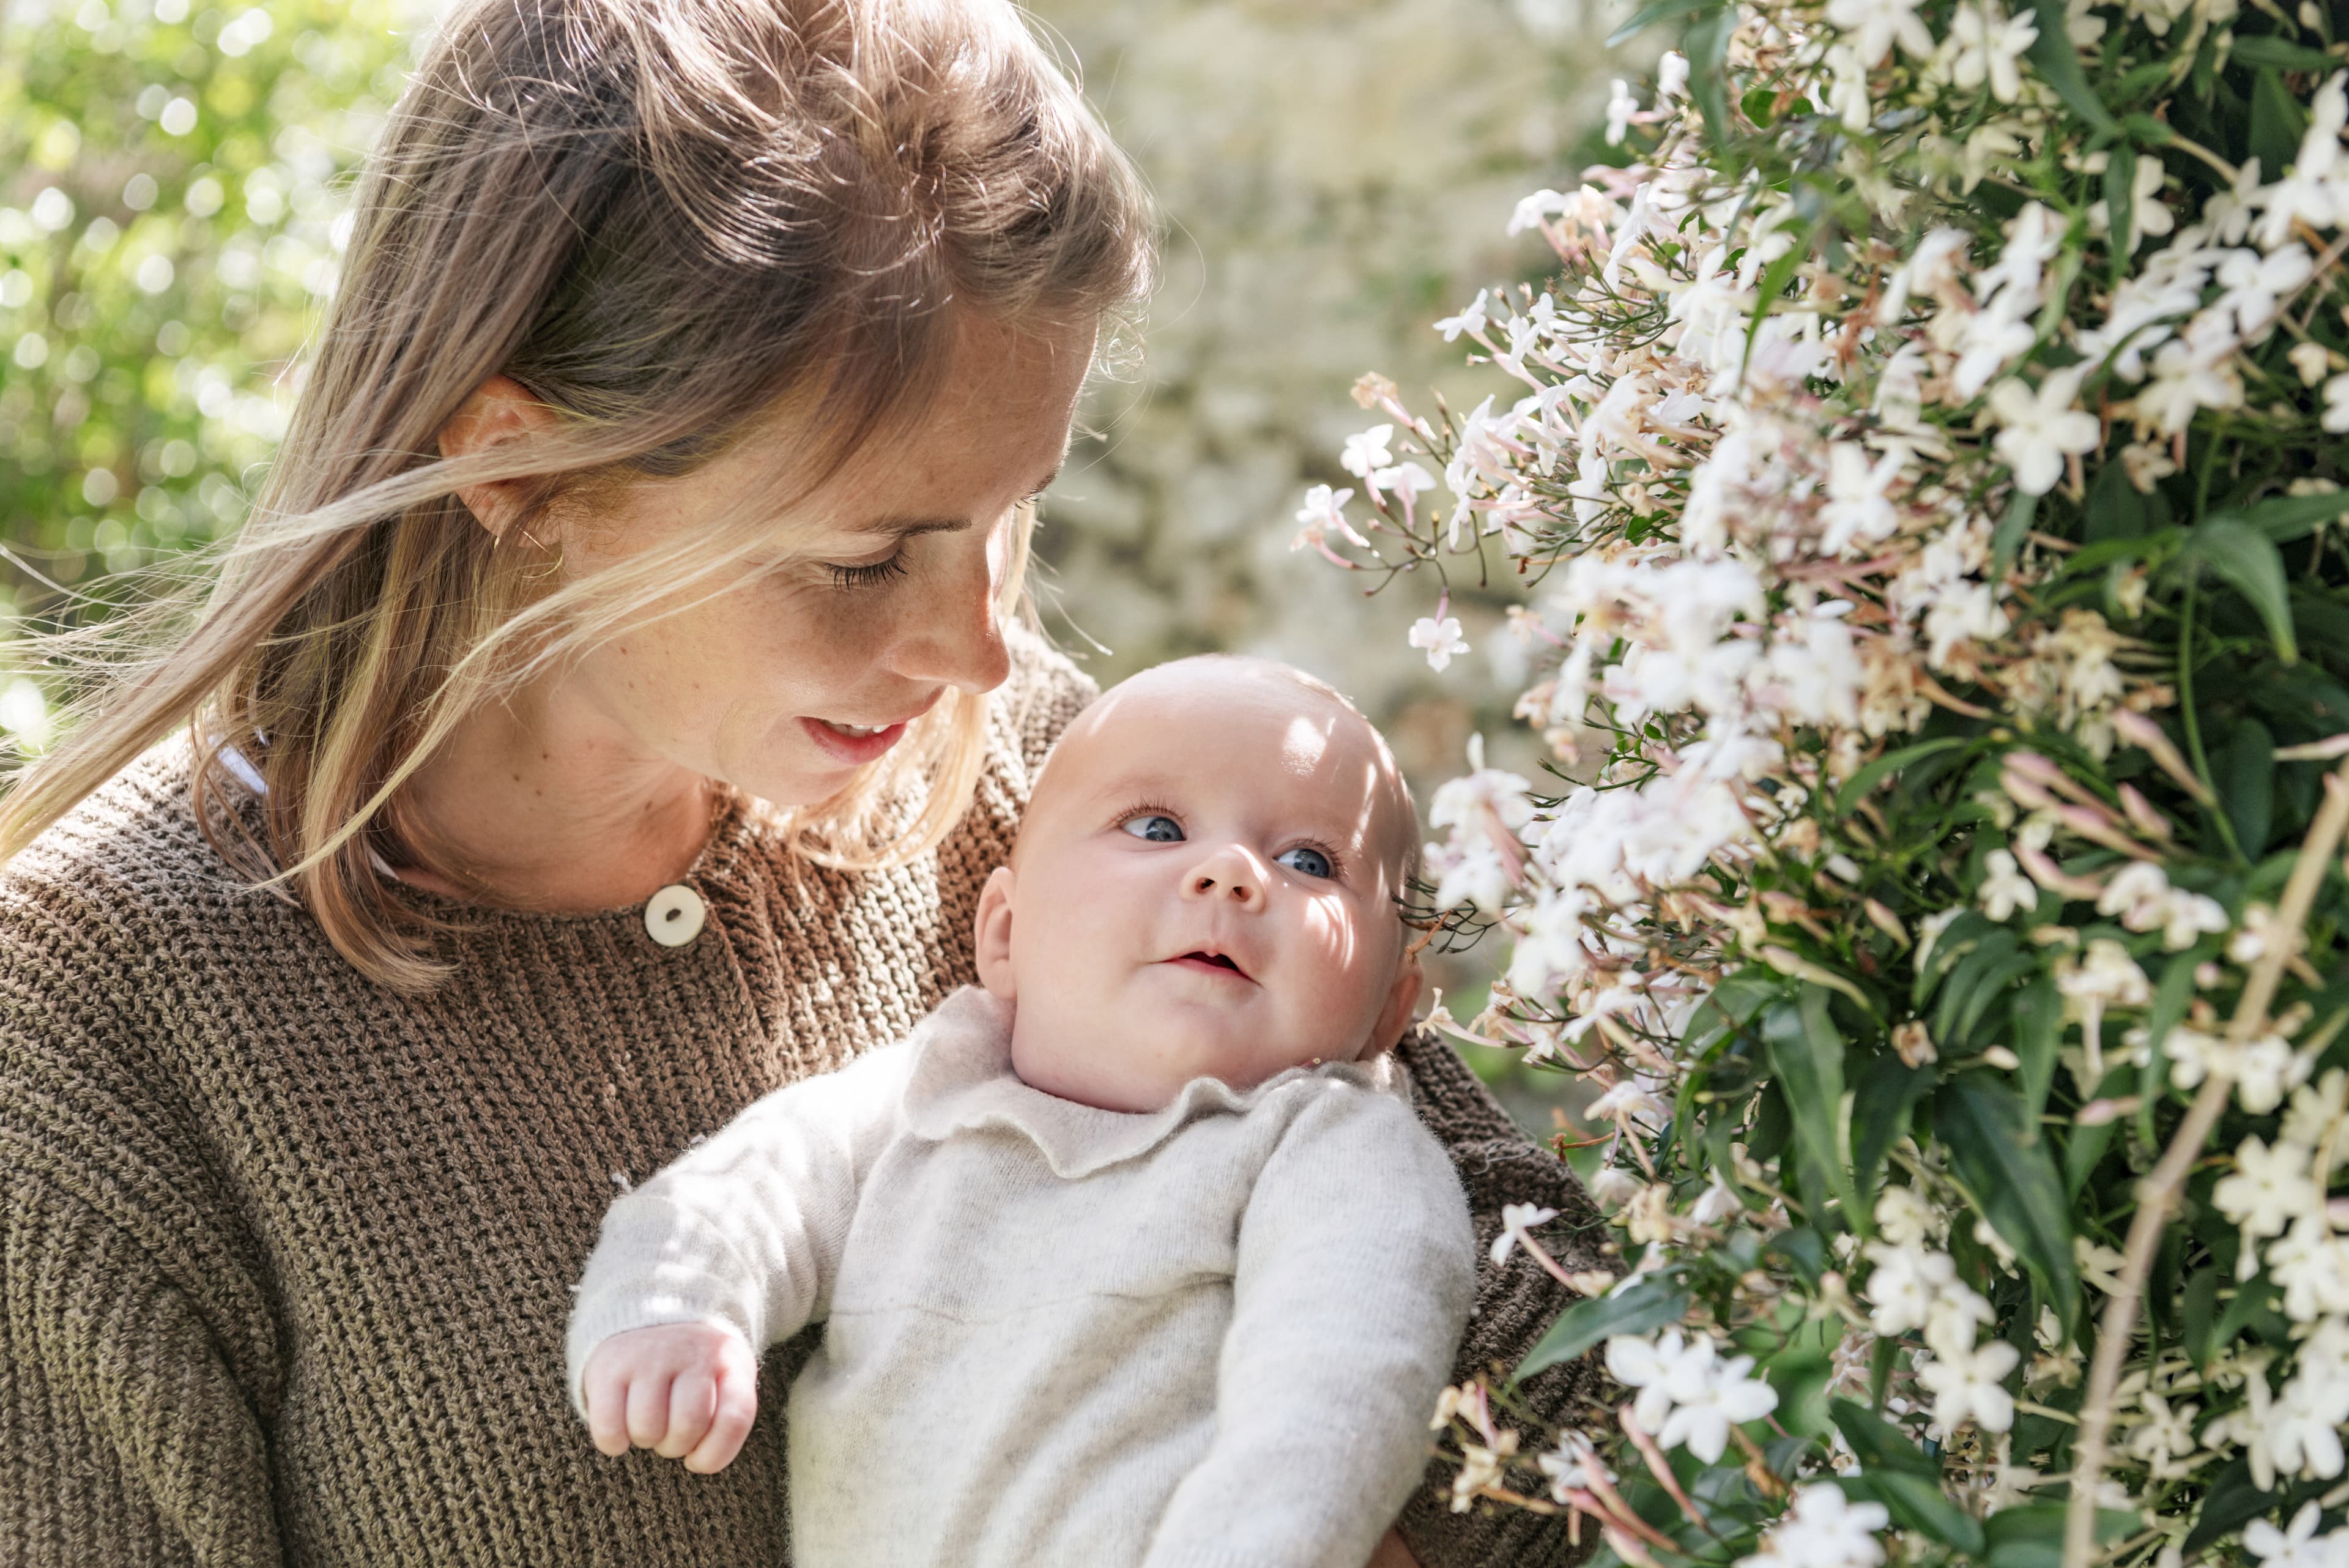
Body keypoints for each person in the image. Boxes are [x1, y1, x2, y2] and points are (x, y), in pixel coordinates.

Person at [0, 1, 1605, 1564]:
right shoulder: (95, 1040)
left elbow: (1565, 1352)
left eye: (1006, 517)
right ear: (517, 470)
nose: (984, 651)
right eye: (863, 555)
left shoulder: (1084, 806)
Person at [570, 658, 1475, 1568]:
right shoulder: (921, 1099)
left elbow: (1340, 1386)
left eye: (1309, 862)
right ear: (1004, 932)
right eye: (1158, 826)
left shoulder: (1329, 1151)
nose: (1232, 874)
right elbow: (748, 1186)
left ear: (1389, 1014)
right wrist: (675, 1306)